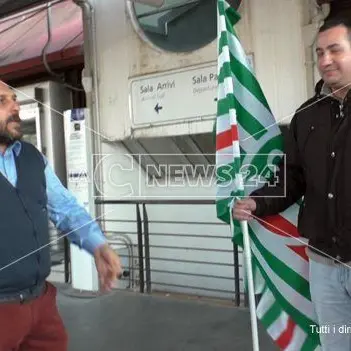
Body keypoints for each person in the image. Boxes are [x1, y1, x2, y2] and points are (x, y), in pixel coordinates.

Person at [232, 17, 351, 351]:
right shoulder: (306, 116)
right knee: (337, 343)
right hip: (324, 264)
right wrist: (257, 202)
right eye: (320, 52)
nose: (325, 60)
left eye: (335, 50)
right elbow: (292, 176)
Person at [0, 80, 123, 351]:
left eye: (14, 99)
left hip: (41, 307)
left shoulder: (32, 157)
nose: (15, 106)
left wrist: (97, 244)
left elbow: (65, 207)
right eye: (2, 101)